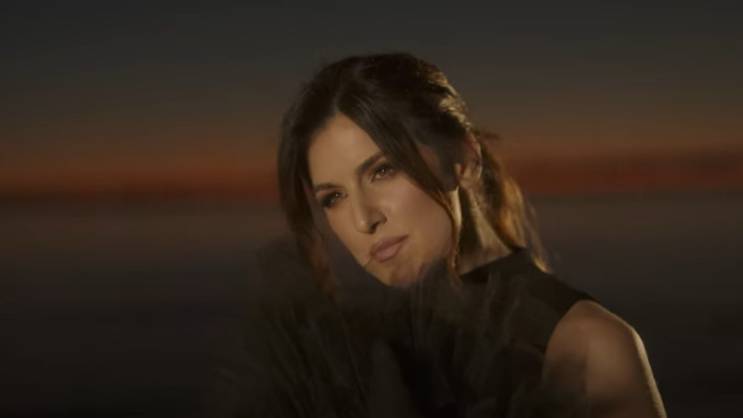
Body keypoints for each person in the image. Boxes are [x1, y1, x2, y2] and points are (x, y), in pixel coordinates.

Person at [206, 53, 667, 418]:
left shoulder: (589, 346)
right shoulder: (359, 353)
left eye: (383, 170)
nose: (363, 219)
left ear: (462, 161)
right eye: (334, 197)